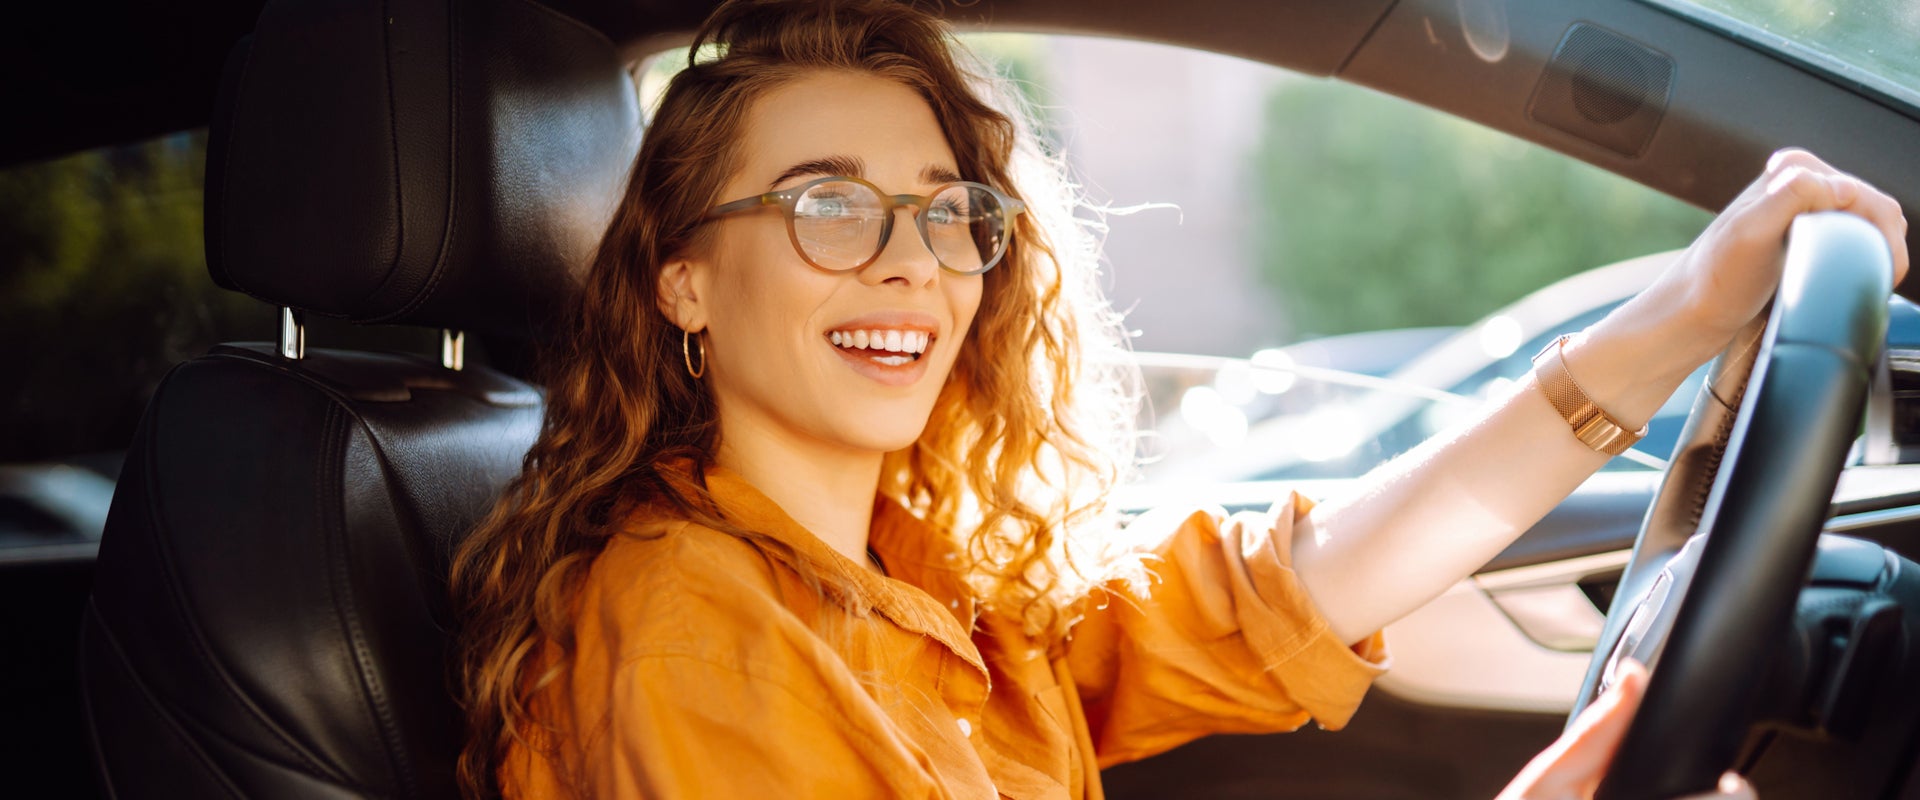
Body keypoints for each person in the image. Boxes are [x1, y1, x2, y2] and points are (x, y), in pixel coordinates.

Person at [448, 1, 1908, 798]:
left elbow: (1300, 589)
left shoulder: (924, 574)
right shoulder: (684, 628)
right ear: (684, 280)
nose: (911, 267)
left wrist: (1686, 312)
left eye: (948, 214)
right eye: (830, 207)